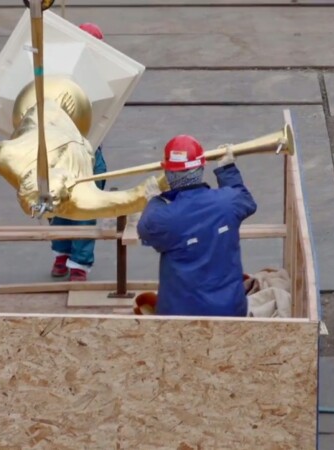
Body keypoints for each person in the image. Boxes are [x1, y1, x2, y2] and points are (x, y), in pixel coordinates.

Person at [137, 135, 257, 317]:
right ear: (201, 166)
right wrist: (227, 168)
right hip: (230, 310)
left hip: (179, 314)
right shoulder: (228, 202)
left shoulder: (166, 217)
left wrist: (155, 200)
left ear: (168, 172)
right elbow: (246, 200)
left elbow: (146, 228)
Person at [49, 21, 108, 282]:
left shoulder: (99, 77)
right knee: (67, 203)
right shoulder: (62, 76)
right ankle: (66, 255)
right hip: (67, 149)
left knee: (79, 204)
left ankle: (76, 263)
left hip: (85, 148)